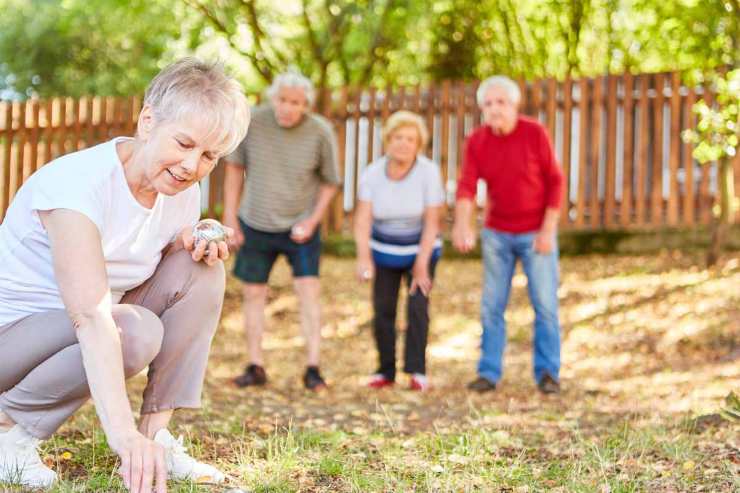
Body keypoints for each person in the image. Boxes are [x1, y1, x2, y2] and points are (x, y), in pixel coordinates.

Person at [0, 58, 250, 492]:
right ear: (148, 121)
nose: (192, 166)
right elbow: (92, 317)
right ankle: (10, 431)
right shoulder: (77, 187)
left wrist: (192, 242)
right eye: (185, 143)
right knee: (133, 332)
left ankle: (158, 438)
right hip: (11, 337)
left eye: (209, 155)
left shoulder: (179, 191)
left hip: (74, 334)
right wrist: (121, 437)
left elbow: (153, 266)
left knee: (203, 270)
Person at [222, 70, 341, 391]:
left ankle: (313, 367)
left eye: (296, 103)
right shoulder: (254, 123)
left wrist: (313, 220)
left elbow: (331, 182)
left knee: (308, 293)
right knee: (253, 293)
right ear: (273, 98)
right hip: (255, 221)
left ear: (306, 105)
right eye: (284, 100)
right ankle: (255, 364)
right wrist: (230, 219)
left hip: (300, 226)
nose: (288, 108)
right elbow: (234, 171)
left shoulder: (320, 132)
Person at [452, 75, 564, 395]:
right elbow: (466, 186)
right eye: (488, 103)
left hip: (536, 231)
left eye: (501, 102)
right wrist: (462, 224)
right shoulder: (477, 141)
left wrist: (547, 230)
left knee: (544, 304)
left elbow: (556, 182)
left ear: (514, 105)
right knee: (492, 305)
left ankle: (547, 373)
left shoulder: (534, 133)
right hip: (497, 233)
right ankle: (488, 372)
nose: (494, 109)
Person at [354, 111, 444, 392]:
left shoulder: (428, 172)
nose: (403, 143)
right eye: (398, 137)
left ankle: (417, 371)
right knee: (383, 310)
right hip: (384, 250)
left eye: (410, 139)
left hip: (422, 248)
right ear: (387, 140)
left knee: (418, 307)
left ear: (418, 144)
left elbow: (432, 221)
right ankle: (385, 371)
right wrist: (363, 257)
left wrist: (421, 263)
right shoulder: (372, 172)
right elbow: (363, 219)